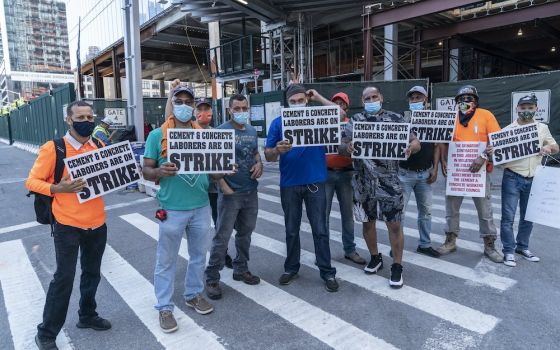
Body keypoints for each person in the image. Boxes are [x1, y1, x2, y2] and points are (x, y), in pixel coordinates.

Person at [27, 101, 111, 350]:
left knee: (92, 273)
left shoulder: (99, 145)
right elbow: (31, 182)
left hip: (97, 223)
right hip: (67, 225)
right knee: (64, 278)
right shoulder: (54, 149)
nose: (86, 120)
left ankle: (87, 315)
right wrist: (56, 188)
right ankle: (47, 333)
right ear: (68, 120)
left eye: (89, 116)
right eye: (80, 116)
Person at [143, 86, 214, 334]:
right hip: (172, 208)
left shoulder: (204, 134)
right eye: (179, 101)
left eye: (188, 101)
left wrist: (226, 166)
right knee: (166, 260)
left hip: (201, 206)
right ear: (172, 104)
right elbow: (146, 170)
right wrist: (159, 172)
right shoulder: (157, 136)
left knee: (198, 256)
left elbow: (213, 168)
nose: (184, 105)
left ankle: (193, 294)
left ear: (194, 106)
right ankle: (164, 307)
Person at [340, 86, 421, 289]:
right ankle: (375, 257)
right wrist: (347, 147)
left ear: (381, 98)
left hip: (390, 182)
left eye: (374, 96)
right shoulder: (355, 121)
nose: (371, 100)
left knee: (394, 225)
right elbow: (340, 146)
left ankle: (397, 265)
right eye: (367, 98)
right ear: (362, 101)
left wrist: (411, 148)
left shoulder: (396, 119)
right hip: (362, 183)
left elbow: (416, 141)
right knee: (367, 223)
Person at [264, 84, 339, 292]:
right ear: (287, 103)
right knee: (291, 230)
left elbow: (339, 113)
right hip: (289, 184)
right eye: (293, 101)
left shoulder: (319, 118)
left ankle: (327, 271)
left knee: (320, 229)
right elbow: (268, 155)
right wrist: (277, 149)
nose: (297, 104)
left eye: (301, 100)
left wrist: (318, 97)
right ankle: (291, 268)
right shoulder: (278, 123)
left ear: (307, 100)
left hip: (316, 182)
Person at [205, 94, 263, 300]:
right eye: (236, 108)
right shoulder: (220, 131)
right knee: (222, 236)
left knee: (245, 234)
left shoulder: (251, 130)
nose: (241, 112)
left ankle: (241, 268)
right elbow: (211, 164)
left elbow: (255, 154)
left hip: (250, 191)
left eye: (244, 108)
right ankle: (212, 277)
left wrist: (259, 164)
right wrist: (223, 186)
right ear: (230, 110)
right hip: (230, 194)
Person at [437, 85, 503, 263]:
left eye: (469, 98)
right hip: (456, 172)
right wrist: (443, 160)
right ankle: (450, 240)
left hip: (479, 171)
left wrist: (483, 157)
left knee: (485, 210)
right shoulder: (450, 118)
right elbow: (443, 141)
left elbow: (497, 141)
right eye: (461, 99)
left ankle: (489, 244)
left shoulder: (486, 115)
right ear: (456, 102)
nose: (465, 101)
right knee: (451, 209)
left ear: (476, 100)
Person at [496, 94, 558, 267]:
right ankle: (508, 250)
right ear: (517, 109)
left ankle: (522, 247)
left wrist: (548, 147)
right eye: (523, 108)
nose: (526, 111)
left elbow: (555, 147)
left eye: (530, 108)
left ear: (536, 109)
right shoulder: (507, 130)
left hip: (534, 178)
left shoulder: (542, 128)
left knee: (528, 216)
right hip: (512, 177)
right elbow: (498, 157)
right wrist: (492, 152)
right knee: (508, 217)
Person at [398, 86, 441, 258]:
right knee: (399, 213)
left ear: (426, 100)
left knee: (426, 212)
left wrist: (435, 168)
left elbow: (438, 145)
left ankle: (425, 244)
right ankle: (397, 245)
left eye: (419, 97)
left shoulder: (434, 119)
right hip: (404, 173)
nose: (415, 100)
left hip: (425, 174)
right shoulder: (401, 119)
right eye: (412, 98)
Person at [193, 97, 234, 268]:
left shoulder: (215, 133)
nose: (204, 113)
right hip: (195, 188)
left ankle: (222, 253)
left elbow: (220, 161)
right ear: (195, 113)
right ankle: (199, 258)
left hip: (214, 187)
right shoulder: (187, 133)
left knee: (220, 222)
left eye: (207, 109)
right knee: (197, 227)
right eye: (200, 109)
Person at [326, 92, 366, 265]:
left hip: (347, 173)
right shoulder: (322, 123)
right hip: (325, 173)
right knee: (323, 215)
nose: (338, 106)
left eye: (341, 104)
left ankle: (350, 250)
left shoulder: (352, 124)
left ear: (347, 108)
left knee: (347, 215)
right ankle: (323, 252)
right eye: (334, 103)